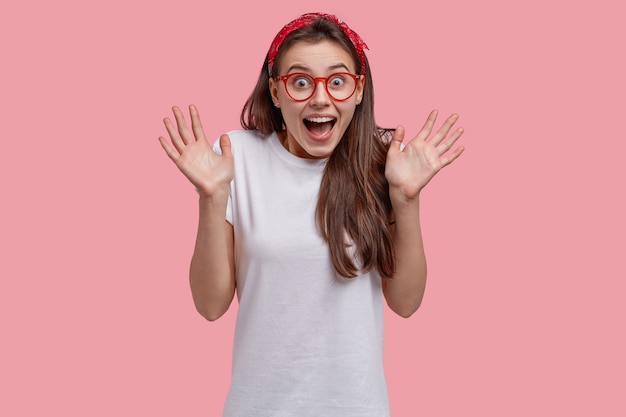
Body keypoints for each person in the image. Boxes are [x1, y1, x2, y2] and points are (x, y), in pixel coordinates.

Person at [158, 12, 464, 417]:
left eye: (337, 82)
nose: (320, 98)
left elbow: (405, 303)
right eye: (300, 82)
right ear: (276, 92)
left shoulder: (383, 161)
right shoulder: (236, 158)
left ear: (357, 91)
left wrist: (405, 198)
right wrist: (211, 196)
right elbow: (210, 305)